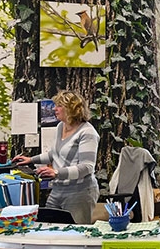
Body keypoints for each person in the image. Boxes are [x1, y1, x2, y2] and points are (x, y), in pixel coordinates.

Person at [13, 90, 99, 224]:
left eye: (59, 105)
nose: (54, 109)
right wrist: (30, 160)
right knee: (48, 227)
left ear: (71, 109)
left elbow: (87, 167)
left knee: (75, 234)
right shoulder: (60, 127)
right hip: (58, 190)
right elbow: (54, 153)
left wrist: (56, 172)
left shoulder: (87, 132)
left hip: (79, 192)